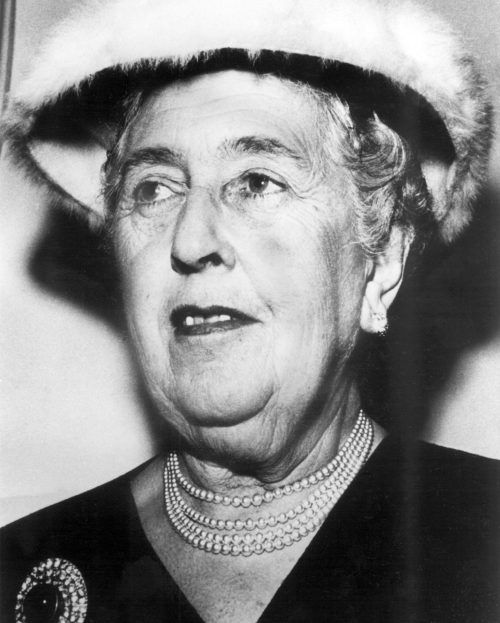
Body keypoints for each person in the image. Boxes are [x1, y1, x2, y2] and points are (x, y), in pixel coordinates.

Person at [1, 0, 499, 622]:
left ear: (380, 264)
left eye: (257, 181)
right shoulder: (21, 565)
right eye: (153, 189)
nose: (190, 241)